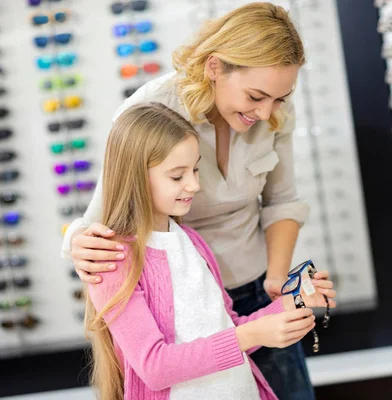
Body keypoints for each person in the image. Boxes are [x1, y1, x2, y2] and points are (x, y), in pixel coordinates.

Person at [63, 3, 331, 398]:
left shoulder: (273, 112)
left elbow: (282, 201)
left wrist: (279, 283)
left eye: (280, 99)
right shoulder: (150, 112)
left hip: (252, 291)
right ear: (215, 67)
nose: (266, 111)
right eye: (256, 96)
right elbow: (104, 218)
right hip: (174, 310)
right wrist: (78, 245)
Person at [85, 102, 336, 400]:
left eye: (195, 169)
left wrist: (292, 303)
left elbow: (227, 327)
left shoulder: (192, 241)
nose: (194, 184)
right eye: (177, 176)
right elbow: (154, 367)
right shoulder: (113, 261)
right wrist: (251, 335)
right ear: (134, 175)